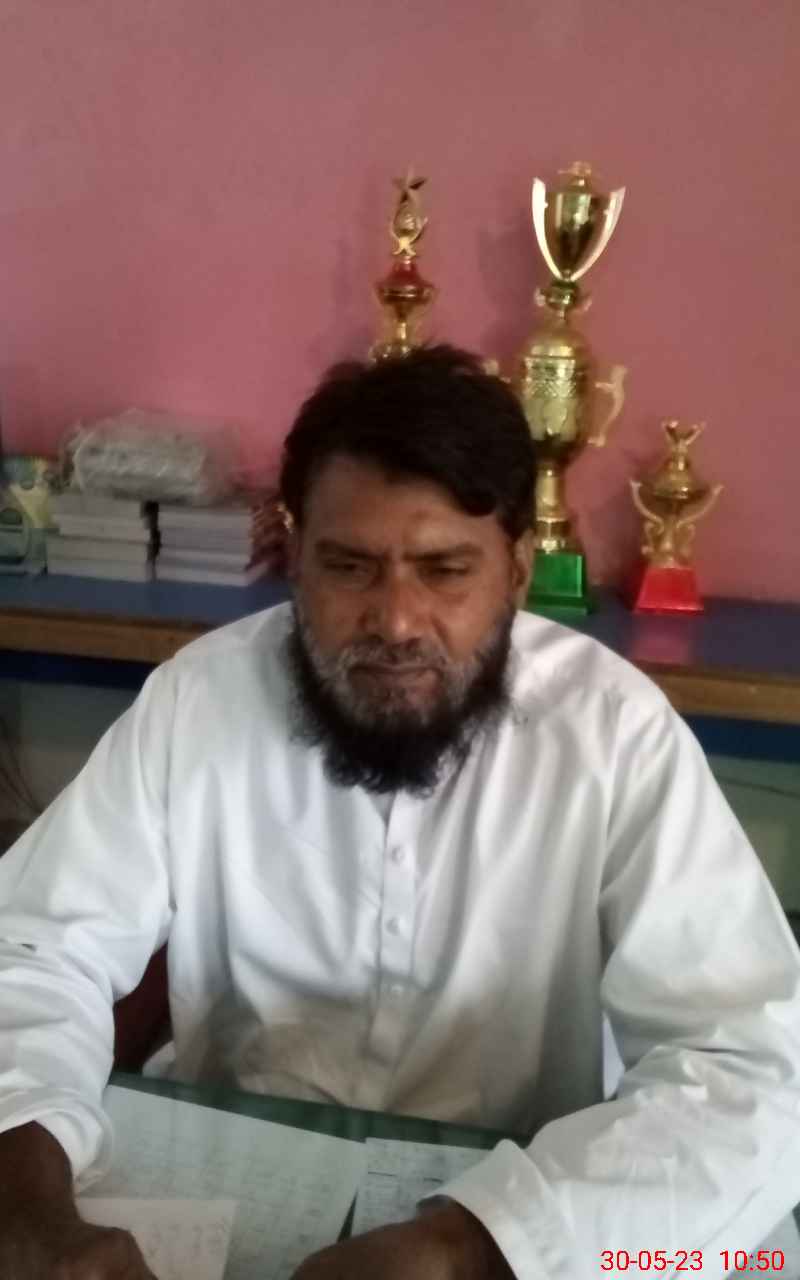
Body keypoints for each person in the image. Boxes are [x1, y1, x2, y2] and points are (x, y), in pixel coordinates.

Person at [0, 345, 799, 1280]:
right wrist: (25, 1210)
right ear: (295, 554)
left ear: (516, 568)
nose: (397, 621)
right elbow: (32, 948)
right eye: (350, 567)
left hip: (522, 1205)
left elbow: (750, 1067)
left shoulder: (616, 733)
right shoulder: (199, 699)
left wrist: (477, 1247)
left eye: (445, 569)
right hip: (228, 1183)